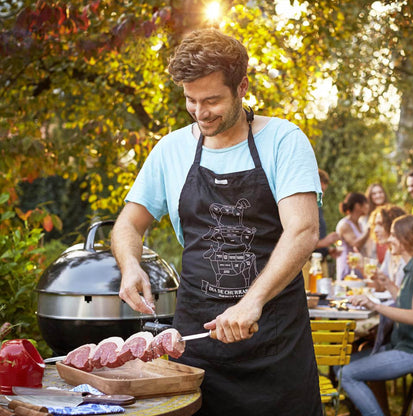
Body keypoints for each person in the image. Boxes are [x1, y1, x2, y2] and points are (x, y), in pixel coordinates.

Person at [111, 29, 322, 416]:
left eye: (212, 100)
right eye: (191, 100)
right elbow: (129, 224)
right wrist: (130, 266)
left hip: (274, 341)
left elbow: (303, 230)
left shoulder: (283, 140)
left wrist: (252, 302)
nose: (200, 112)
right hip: (198, 341)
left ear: (242, 87)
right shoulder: (170, 150)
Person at [339, 214, 413, 416]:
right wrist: (388, 283)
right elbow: (405, 300)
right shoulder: (410, 268)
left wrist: (375, 305)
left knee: (347, 374)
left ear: (406, 238)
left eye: (393, 235)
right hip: (400, 345)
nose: (389, 240)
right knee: (344, 364)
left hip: (411, 352)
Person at [369, 204, 407, 295]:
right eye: (375, 225)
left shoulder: (407, 255)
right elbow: (381, 287)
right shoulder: (389, 252)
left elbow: (404, 300)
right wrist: (362, 266)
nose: (375, 230)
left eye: (380, 224)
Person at [335, 192, 370, 280]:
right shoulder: (345, 224)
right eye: (366, 203)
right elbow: (356, 244)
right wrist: (369, 230)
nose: (368, 206)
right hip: (348, 268)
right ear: (358, 205)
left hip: (358, 267)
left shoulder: (360, 224)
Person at [360, 183, 389, 262]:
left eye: (380, 192)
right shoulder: (364, 217)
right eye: (374, 194)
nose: (378, 195)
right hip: (371, 255)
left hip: (388, 251)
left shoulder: (391, 213)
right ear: (370, 197)